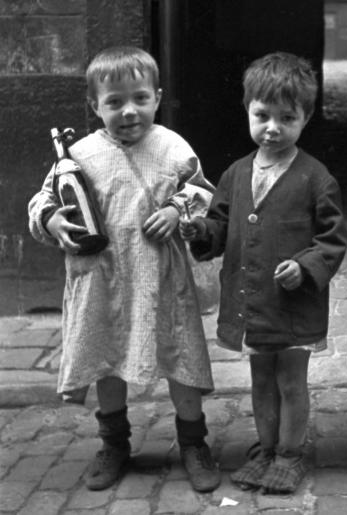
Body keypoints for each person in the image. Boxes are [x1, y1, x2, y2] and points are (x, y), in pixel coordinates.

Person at [28, 46, 221, 493]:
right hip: (102, 279)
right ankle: (114, 442)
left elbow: (203, 191)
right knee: (107, 358)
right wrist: (53, 218)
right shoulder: (77, 155)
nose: (129, 110)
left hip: (161, 278)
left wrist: (177, 210)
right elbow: (43, 199)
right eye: (114, 102)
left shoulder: (173, 147)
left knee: (180, 357)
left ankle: (194, 442)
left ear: (157, 96)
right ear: (95, 106)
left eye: (139, 98)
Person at [180, 52, 347, 494]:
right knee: (259, 379)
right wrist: (200, 230)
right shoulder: (236, 175)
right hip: (251, 302)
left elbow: (333, 239)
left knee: (291, 380)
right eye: (262, 115)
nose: (272, 127)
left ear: (305, 118)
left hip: (293, 305)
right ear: (247, 111)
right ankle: (267, 447)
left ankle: (290, 454)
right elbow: (219, 225)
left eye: (286, 117)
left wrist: (307, 265)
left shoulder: (316, 178)